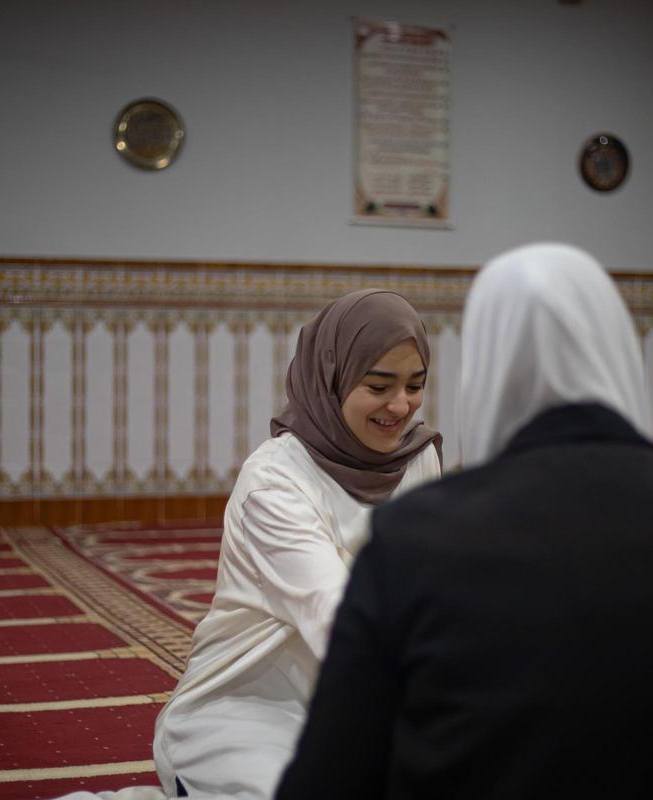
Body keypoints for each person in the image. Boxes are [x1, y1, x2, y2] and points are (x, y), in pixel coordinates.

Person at [277, 244, 653, 799]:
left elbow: (331, 778)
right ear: (620, 350)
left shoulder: (412, 539)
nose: (402, 404)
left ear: (481, 370)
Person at [153, 289, 443, 799]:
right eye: (379, 386)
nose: (401, 406)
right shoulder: (275, 481)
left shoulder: (417, 459)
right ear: (331, 379)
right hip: (247, 712)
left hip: (365, 707)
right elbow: (336, 618)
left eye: (415, 386)